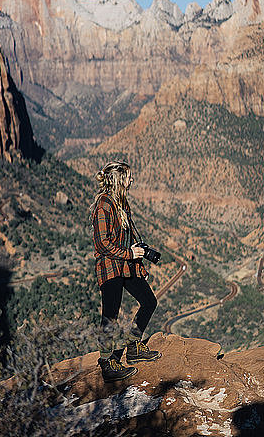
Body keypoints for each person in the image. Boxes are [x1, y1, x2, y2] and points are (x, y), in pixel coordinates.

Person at [90, 160, 161, 383]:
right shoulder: (104, 205)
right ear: (120, 179)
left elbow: (129, 240)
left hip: (126, 266)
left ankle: (133, 346)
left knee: (149, 301)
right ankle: (107, 362)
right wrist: (130, 255)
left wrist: (138, 264)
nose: (132, 180)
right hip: (110, 268)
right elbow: (102, 243)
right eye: (129, 176)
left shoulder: (122, 203)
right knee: (110, 316)